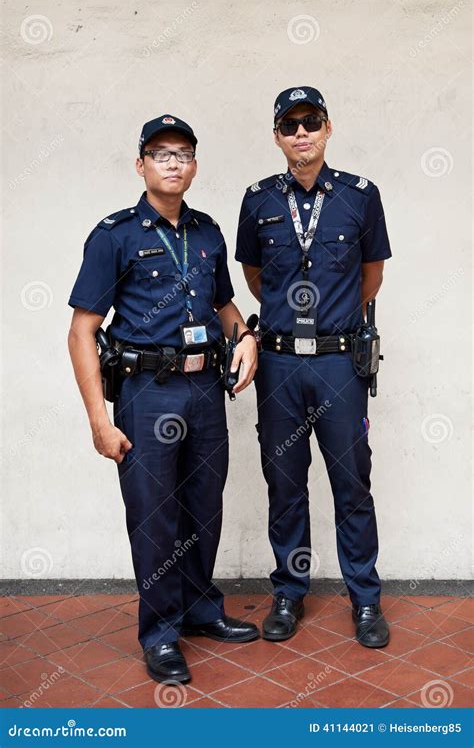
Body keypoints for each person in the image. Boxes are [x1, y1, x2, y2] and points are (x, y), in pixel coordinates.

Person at [68, 114, 259, 684]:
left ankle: (201, 611)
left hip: (205, 389)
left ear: (195, 165)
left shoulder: (207, 232)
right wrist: (99, 421)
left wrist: (244, 338)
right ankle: (160, 632)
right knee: (155, 516)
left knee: (204, 505)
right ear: (141, 164)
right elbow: (82, 331)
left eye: (183, 153)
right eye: (161, 153)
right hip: (146, 392)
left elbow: (224, 307)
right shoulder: (114, 235)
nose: (173, 162)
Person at [235, 87, 392, 648]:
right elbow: (256, 279)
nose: (301, 132)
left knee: (352, 483)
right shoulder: (257, 201)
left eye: (311, 121)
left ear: (328, 128)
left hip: (337, 364)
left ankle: (366, 601)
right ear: (276, 135)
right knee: (285, 482)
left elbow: (370, 275)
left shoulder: (360, 196)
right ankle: (287, 592)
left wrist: (335, 322)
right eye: (289, 124)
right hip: (278, 363)